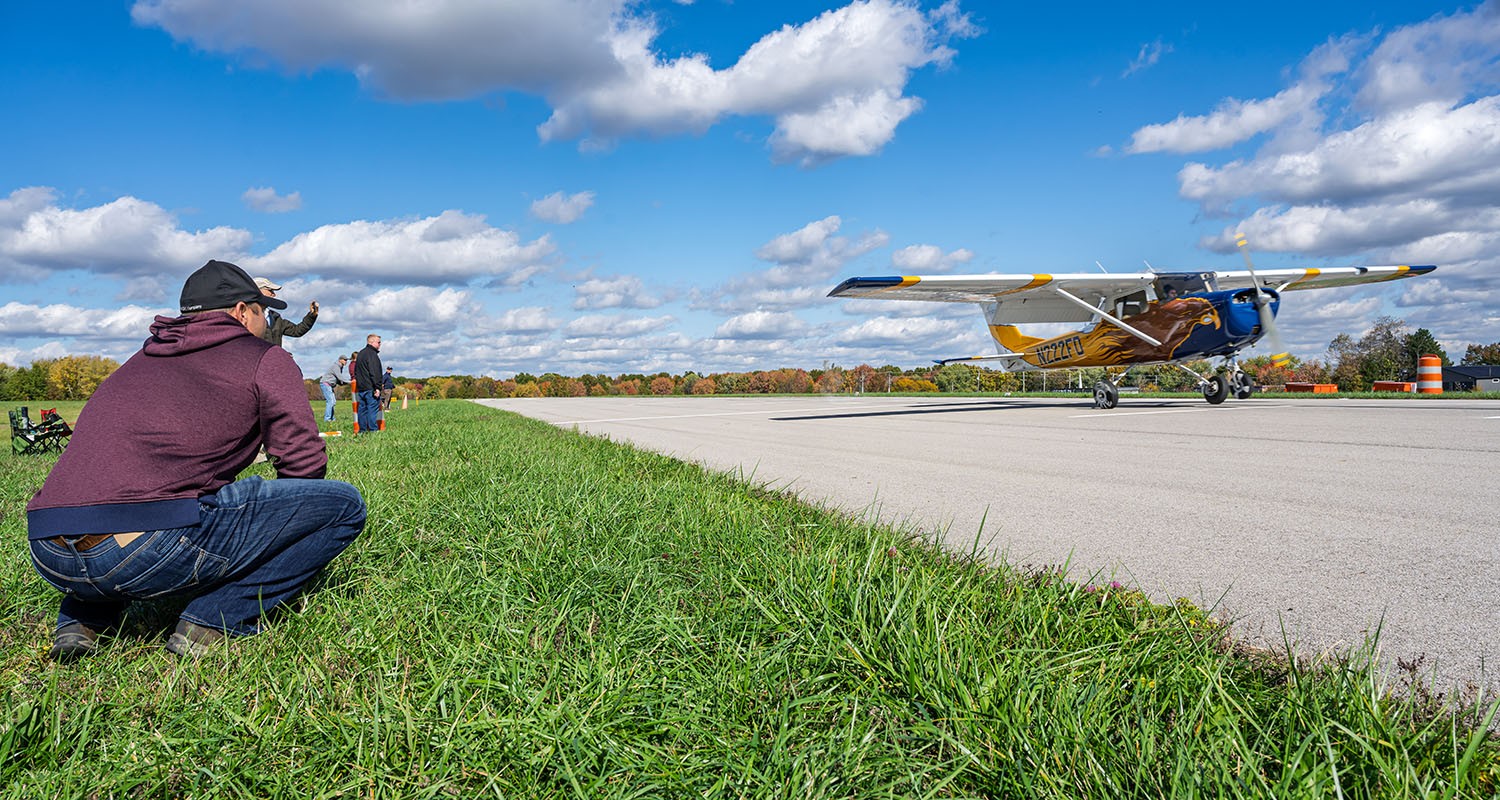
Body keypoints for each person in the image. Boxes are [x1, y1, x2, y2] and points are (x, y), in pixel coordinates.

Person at [26, 260, 366, 661]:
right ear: (243, 311)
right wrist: (277, 531)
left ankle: (80, 620)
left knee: (125, 497)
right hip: (142, 551)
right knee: (343, 505)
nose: (267, 321)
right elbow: (304, 468)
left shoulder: (140, 360)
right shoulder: (265, 358)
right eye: (263, 311)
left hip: (48, 551)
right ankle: (215, 620)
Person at [253, 277, 319, 348]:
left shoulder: (275, 317)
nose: (274, 294)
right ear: (258, 291)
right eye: (270, 290)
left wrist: (312, 315)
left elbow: (297, 331)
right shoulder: (244, 316)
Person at [351, 334, 383, 435]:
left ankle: (362, 431)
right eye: (378, 342)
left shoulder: (360, 354)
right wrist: (377, 387)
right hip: (371, 388)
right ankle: (373, 431)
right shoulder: (372, 354)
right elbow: (374, 372)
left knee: (362, 410)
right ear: (371, 342)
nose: (379, 345)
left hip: (361, 388)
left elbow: (356, 371)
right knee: (372, 410)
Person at [318, 356, 349, 423]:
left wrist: (342, 383)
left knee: (333, 401)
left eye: (346, 360)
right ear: (340, 360)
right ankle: (327, 419)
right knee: (330, 401)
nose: (346, 361)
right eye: (345, 360)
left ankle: (331, 418)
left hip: (329, 385)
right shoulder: (336, 366)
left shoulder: (340, 367)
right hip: (326, 384)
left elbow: (337, 379)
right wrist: (350, 382)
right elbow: (340, 378)